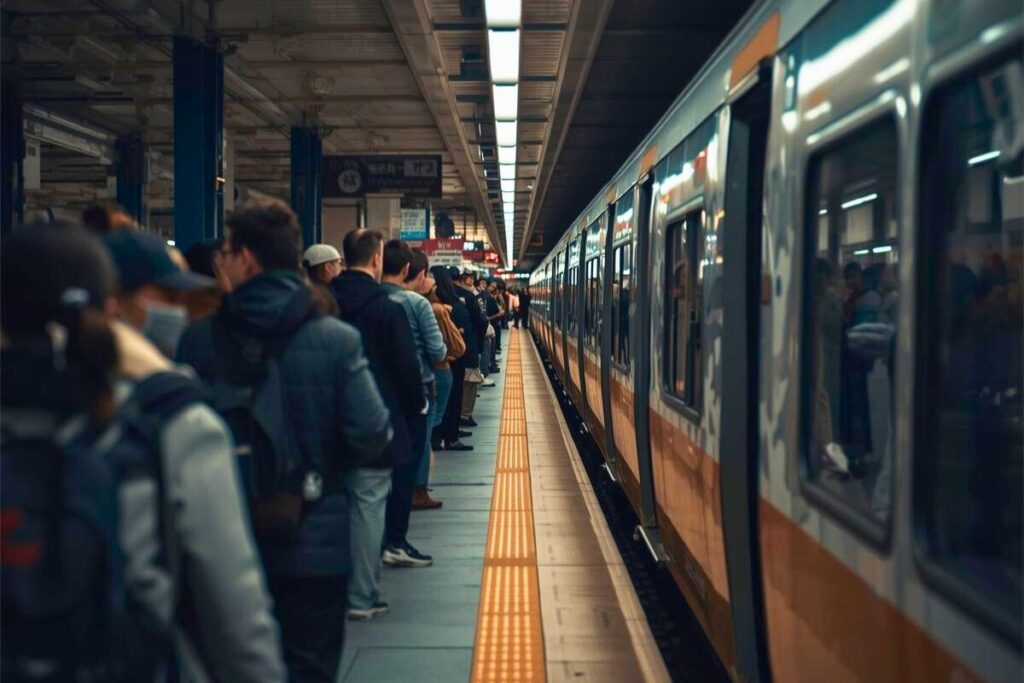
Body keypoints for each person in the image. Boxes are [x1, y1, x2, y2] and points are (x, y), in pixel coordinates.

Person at [2, 223, 286, 682]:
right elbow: (233, 607)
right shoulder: (172, 419)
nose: (179, 311)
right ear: (111, 305)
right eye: (167, 298)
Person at [176, 198, 393, 683]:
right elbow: (373, 432)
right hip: (313, 539)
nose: (220, 263)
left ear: (247, 259)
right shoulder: (335, 338)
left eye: (226, 252)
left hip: (222, 542)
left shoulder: (197, 340)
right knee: (309, 666)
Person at [332, 228, 423, 619]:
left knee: (332, 505)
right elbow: (406, 369)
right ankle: (362, 597)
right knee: (369, 507)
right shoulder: (388, 308)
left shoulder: (322, 302)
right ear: (375, 259)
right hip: (377, 421)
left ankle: (330, 591)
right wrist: (413, 406)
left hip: (326, 422)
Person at [378, 241, 445, 566]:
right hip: (415, 391)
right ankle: (396, 539)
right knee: (407, 462)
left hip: (373, 394)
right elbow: (438, 351)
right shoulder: (417, 305)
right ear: (408, 269)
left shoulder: (370, 301)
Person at [414, 263, 467, 507]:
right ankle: (419, 489)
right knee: (425, 431)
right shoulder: (429, 309)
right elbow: (450, 349)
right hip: (437, 373)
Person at [434, 266, 474, 451]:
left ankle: (445, 435)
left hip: (446, 361)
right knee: (453, 398)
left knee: (446, 400)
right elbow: (463, 341)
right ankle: (450, 436)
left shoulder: (441, 307)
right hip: (452, 360)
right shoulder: (453, 306)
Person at [454, 270, 488, 426]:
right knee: (470, 382)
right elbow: (482, 321)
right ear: (465, 280)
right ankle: (465, 415)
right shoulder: (471, 297)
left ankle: (457, 415)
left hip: (451, 350)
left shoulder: (442, 296)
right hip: (470, 345)